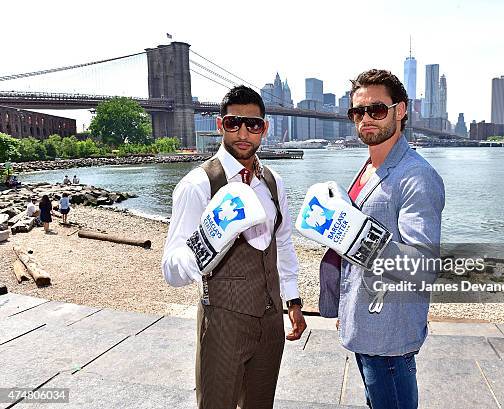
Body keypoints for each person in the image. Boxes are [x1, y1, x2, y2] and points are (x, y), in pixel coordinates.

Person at [297, 69, 445, 409]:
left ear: (401, 110)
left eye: (376, 110)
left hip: (390, 333)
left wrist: (348, 230)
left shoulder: (416, 176)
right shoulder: (369, 168)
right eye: (357, 112)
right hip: (364, 321)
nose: (366, 118)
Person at [162, 85, 307, 409]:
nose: (243, 132)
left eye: (253, 124)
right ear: (219, 125)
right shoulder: (198, 185)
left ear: (264, 129)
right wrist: (200, 250)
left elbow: (282, 243)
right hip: (222, 324)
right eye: (233, 123)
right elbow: (170, 267)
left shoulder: (273, 182)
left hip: (270, 324)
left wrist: (293, 301)